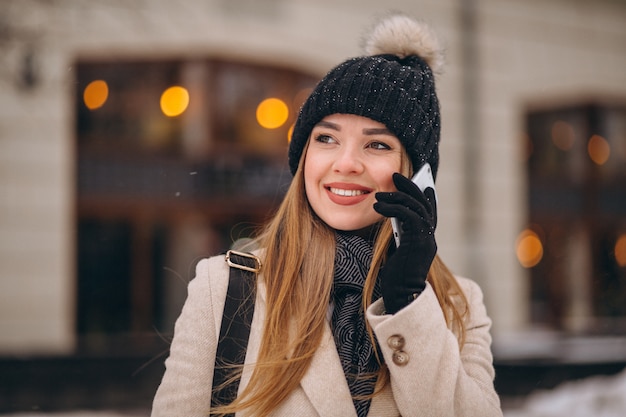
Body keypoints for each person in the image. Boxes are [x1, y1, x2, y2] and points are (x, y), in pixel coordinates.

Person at [152, 13, 503, 417]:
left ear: (418, 178)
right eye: (326, 138)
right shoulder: (225, 290)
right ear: (304, 158)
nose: (346, 163)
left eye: (377, 145)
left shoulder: (457, 305)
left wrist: (407, 303)